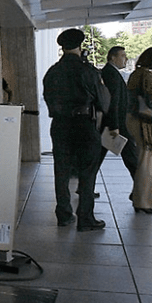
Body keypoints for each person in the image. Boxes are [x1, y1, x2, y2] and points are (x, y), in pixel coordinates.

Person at [43, 28, 110, 232]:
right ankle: (85, 217)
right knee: (88, 171)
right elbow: (103, 101)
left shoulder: (53, 72)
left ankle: (64, 214)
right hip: (84, 124)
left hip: (60, 124)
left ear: (62, 48)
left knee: (61, 170)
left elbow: (48, 98)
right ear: (80, 47)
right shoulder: (88, 70)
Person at [127, 47, 152, 215]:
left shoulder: (135, 74)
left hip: (132, 119)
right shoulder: (147, 76)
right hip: (143, 123)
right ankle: (142, 202)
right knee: (147, 160)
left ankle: (139, 193)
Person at [97, 46, 138, 180]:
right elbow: (113, 101)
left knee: (129, 155)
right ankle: (145, 186)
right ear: (113, 58)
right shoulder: (111, 74)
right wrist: (114, 125)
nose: (126, 59)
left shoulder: (111, 72)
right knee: (130, 155)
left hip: (115, 123)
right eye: (123, 56)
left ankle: (145, 186)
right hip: (116, 123)